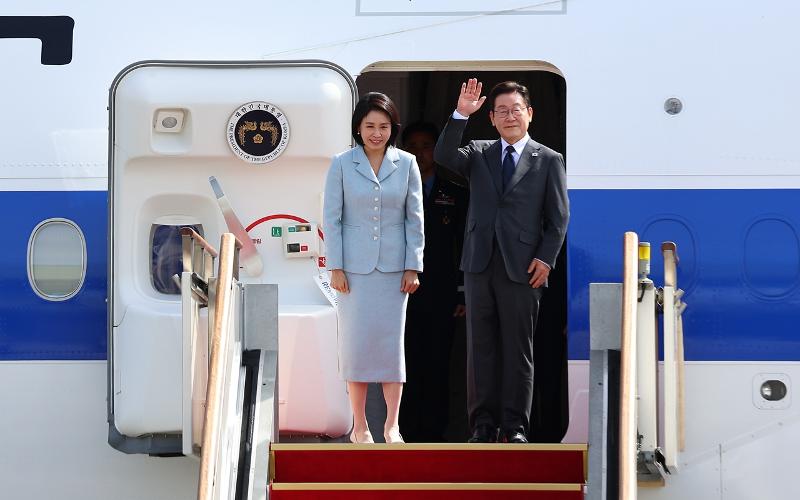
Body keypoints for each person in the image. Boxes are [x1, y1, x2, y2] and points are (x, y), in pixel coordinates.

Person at [434, 79, 569, 444]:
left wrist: (546, 258)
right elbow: (444, 156)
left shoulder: (548, 159)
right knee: (481, 349)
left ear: (530, 114)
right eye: (502, 111)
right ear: (491, 118)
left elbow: (558, 219)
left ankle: (515, 426)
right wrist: (461, 114)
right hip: (479, 263)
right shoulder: (478, 152)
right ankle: (482, 425)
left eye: (516, 109)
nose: (510, 116)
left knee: (518, 348)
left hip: (524, 267)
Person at [323, 92, 424, 444]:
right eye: (369, 126)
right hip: (352, 271)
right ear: (358, 128)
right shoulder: (341, 163)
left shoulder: (407, 163)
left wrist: (413, 266)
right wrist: (335, 266)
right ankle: (360, 426)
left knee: (391, 346)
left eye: (383, 126)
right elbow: (331, 219)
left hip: (395, 270)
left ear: (392, 128)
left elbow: (415, 220)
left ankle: (392, 425)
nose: (376, 133)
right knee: (356, 345)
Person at [398, 122, 468, 442]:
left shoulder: (455, 194)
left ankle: (435, 433)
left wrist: (462, 292)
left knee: (438, 363)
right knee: (404, 363)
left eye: (426, 146)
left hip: (442, 294)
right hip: (400, 294)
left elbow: (467, 247)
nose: (419, 152)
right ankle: (405, 430)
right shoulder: (391, 192)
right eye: (412, 145)